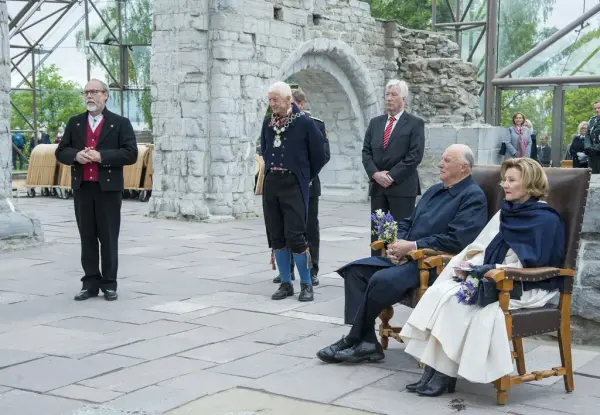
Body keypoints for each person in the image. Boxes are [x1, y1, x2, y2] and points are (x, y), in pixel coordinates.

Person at [400, 158, 564, 397]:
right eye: (504, 179)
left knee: (460, 303)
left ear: (529, 185)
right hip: (495, 277)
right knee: (443, 293)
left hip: (526, 285)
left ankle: (445, 375)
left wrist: (491, 269)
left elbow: (534, 263)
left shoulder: (545, 218)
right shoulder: (507, 211)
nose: (504, 185)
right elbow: (483, 247)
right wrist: (469, 265)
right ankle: (435, 371)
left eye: (511, 180)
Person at [316, 144, 488, 364]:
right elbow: (408, 221)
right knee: (355, 271)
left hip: (434, 266)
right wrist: (398, 244)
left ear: (463, 168)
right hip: (409, 260)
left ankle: (354, 339)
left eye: (447, 160)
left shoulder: (473, 197)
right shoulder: (435, 189)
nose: (440, 163)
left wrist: (414, 246)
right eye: (442, 159)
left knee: (379, 279)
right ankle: (367, 341)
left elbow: (458, 240)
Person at [55, 79, 138, 302]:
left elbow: (131, 154)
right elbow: (61, 151)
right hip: (83, 187)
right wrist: (75, 156)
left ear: (105, 95)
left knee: (109, 237)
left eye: (94, 92)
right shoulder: (75, 123)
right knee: (87, 237)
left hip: (108, 189)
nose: (89, 96)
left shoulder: (120, 123)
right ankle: (90, 283)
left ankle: (109, 284)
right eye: (86, 92)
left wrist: (102, 156)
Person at [261, 81, 327, 302]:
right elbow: (265, 148)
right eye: (270, 100)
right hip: (272, 184)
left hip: (294, 185)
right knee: (276, 235)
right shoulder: (268, 123)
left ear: (289, 100)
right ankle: (286, 283)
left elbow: (319, 154)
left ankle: (306, 284)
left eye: (275, 100)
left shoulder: (305, 123)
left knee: (297, 235)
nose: (272, 104)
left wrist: (304, 175)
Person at [362, 79, 425, 254]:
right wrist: (375, 174)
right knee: (378, 233)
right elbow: (366, 152)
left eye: (394, 95)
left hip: (402, 188)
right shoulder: (375, 123)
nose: (389, 98)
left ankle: (397, 269)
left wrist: (391, 176)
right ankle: (375, 267)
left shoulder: (415, 123)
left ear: (404, 99)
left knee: (399, 233)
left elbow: (414, 156)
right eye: (387, 95)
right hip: (378, 188)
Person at [585, 102, 600, 173]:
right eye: (595, 108)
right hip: (593, 155)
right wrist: (588, 147)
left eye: (599, 108)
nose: (597, 110)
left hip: (598, 151)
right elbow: (587, 135)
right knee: (593, 177)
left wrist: (597, 148)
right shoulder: (592, 121)